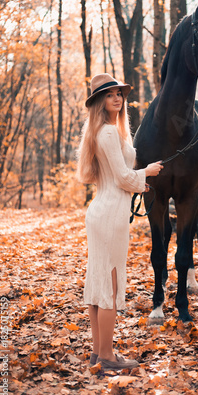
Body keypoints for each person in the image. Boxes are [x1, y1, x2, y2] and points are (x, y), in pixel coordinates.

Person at [77, 73, 163, 372]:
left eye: (119, 93)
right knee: (109, 286)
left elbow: (120, 177)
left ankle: (97, 352)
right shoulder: (109, 133)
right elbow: (124, 177)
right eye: (110, 93)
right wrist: (148, 173)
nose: (117, 97)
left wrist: (139, 181)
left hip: (103, 210)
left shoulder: (103, 131)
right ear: (99, 100)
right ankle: (108, 356)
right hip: (110, 214)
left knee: (98, 282)